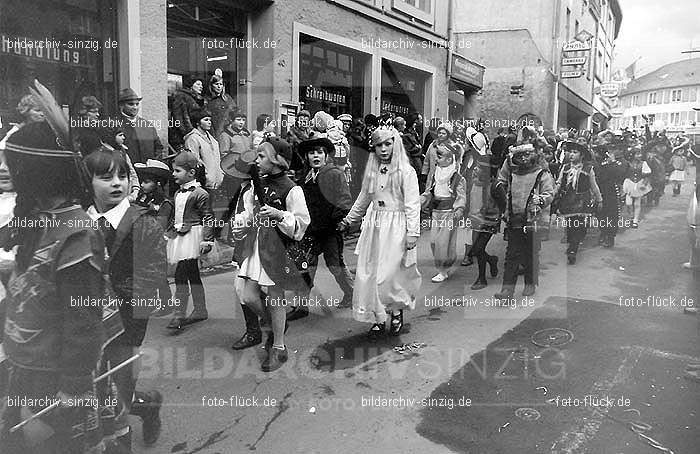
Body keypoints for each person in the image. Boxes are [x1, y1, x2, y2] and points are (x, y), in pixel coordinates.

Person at [0, 122, 104, 454]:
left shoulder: (76, 234)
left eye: (12, 163)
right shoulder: (37, 217)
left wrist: (73, 384)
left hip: (53, 370)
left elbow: (83, 318)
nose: (4, 169)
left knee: (51, 444)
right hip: (24, 362)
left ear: (35, 170)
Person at [84, 149, 166, 450]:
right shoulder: (81, 219)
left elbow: (154, 272)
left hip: (126, 320)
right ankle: (145, 406)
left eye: (122, 176)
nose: (117, 183)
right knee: (92, 388)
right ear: (88, 182)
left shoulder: (142, 222)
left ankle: (124, 436)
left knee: (118, 386)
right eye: (106, 178)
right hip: (86, 319)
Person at [233, 138, 310, 371]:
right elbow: (249, 211)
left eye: (261, 156)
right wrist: (242, 223)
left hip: (277, 248)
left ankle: (278, 346)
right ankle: (277, 324)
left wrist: (279, 215)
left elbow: (301, 224)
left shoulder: (292, 189)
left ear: (277, 161)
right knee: (248, 295)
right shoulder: (256, 184)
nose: (256, 161)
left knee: (276, 296)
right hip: (256, 245)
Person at [338, 127, 421, 339]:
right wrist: (349, 220)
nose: (383, 149)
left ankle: (395, 311)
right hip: (375, 226)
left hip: (396, 228)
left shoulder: (406, 171)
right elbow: (364, 199)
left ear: (396, 143)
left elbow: (412, 205)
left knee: (390, 274)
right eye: (378, 145)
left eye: (387, 143)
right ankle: (376, 316)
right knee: (370, 274)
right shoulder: (373, 171)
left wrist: (412, 232)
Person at [495, 138, 554, 298]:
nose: (523, 159)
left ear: (533, 155)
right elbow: (501, 184)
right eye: (520, 156)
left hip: (534, 220)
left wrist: (540, 199)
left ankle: (530, 283)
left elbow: (550, 193)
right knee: (512, 254)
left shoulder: (542, 173)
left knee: (530, 253)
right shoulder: (513, 174)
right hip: (515, 217)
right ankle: (507, 290)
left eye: (527, 155)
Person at [299, 137, 354, 311]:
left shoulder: (334, 173)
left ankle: (350, 293)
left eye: (319, 152)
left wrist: (339, 220)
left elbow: (344, 199)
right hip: (311, 229)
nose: (315, 156)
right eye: (311, 153)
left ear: (326, 155)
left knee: (335, 265)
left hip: (330, 229)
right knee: (307, 265)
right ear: (307, 156)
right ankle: (302, 306)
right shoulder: (305, 177)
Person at [219, 150, 263, 350]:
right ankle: (265, 322)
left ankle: (256, 331)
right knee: (252, 287)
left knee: (242, 288)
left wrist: (241, 226)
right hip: (245, 242)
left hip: (253, 242)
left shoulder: (252, 192)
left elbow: (252, 217)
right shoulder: (244, 188)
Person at [165, 152, 215, 330]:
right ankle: (201, 309)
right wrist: (170, 231)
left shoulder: (200, 193)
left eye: (177, 171)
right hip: (180, 236)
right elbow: (176, 215)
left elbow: (208, 217)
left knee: (180, 275)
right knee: (192, 274)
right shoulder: (178, 192)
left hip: (193, 237)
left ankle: (179, 315)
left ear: (191, 173)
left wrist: (207, 240)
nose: (173, 174)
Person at [134, 158, 175, 316]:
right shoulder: (143, 198)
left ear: (158, 184)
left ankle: (166, 303)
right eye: (142, 182)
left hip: (156, 243)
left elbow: (159, 226)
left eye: (147, 182)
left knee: (158, 275)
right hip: (143, 240)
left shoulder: (165, 204)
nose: (143, 185)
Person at [420, 145, 466, 283]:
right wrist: (421, 200)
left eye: (439, 156)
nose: (436, 159)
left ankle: (442, 270)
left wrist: (459, 209)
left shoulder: (456, 177)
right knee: (434, 241)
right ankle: (446, 262)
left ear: (449, 159)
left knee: (443, 243)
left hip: (449, 213)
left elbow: (461, 195)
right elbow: (429, 192)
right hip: (436, 212)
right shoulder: (435, 175)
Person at [465, 127, 501, 289]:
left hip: (489, 221)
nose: (475, 170)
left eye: (479, 169)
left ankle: (481, 278)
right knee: (476, 249)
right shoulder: (475, 183)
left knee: (477, 248)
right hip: (476, 218)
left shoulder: (494, 186)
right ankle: (491, 260)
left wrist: (499, 217)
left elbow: (503, 204)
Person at [555, 141, 603, 264]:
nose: (571, 154)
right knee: (570, 226)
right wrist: (553, 193)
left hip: (582, 201)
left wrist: (599, 199)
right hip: (567, 200)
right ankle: (572, 243)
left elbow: (594, 186)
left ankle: (572, 250)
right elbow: (559, 183)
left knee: (577, 226)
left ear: (581, 156)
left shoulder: (588, 169)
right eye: (570, 152)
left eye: (575, 152)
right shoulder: (565, 167)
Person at [117, 88, 165, 163]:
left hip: (148, 170)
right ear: (121, 105)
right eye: (131, 104)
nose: (135, 107)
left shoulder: (147, 125)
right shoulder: (115, 125)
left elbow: (158, 148)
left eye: (137, 104)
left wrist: (154, 164)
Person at [594, 145, 625, 248]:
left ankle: (610, 237)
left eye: (597, 153)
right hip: (598, 192)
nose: (595, 155)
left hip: (610, 192)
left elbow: (621, 173)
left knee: (611, 215)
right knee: (600, 215)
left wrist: (613, 162)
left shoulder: (614, 164)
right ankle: (603, 233)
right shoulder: (594, 164)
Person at [184, 109, 223, 191]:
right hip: (203, 182)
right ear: (198, 123)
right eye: (206, 120)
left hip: (217, 182)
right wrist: (205, 175)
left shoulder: (212, 139)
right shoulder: (193, 138)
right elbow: (194, 161)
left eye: (210, 120)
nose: (209, 122)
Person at [171, 78, 207, 145]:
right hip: (186, 135)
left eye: (201, 85)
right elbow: (179, 117)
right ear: (191, 85)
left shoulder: (197, 99)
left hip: (197, 133)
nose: (201, 87)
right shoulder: (181, 96)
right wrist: (188, 132)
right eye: (198, 84)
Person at [622, 148, 651, 228]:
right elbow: (623, 173)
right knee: (628, 203)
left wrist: (644, 184)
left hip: (639, 183)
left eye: (640, 154)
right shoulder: (627, 163)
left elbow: (647, 175)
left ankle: (635, 220)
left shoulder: (643, 163)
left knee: (637, 203)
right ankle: (631, 215)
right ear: (632, 155)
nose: (640, 155)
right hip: (629, 183)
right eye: (637, 154)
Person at [206, 74, 236, 139]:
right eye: (216, 84)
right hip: (213, 132)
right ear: (211, 85)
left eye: (221, 84)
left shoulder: (227, 98)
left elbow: (235, 114)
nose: (219, 86)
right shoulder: (207, 100)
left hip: (228, 131)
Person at [286, 109, 311, 182]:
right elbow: (288, 152)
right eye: (301, 121)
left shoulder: (310, 133)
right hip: (295, 167)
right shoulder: (291, 134)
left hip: (308, 166)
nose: (303, 124)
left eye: (305, 122)